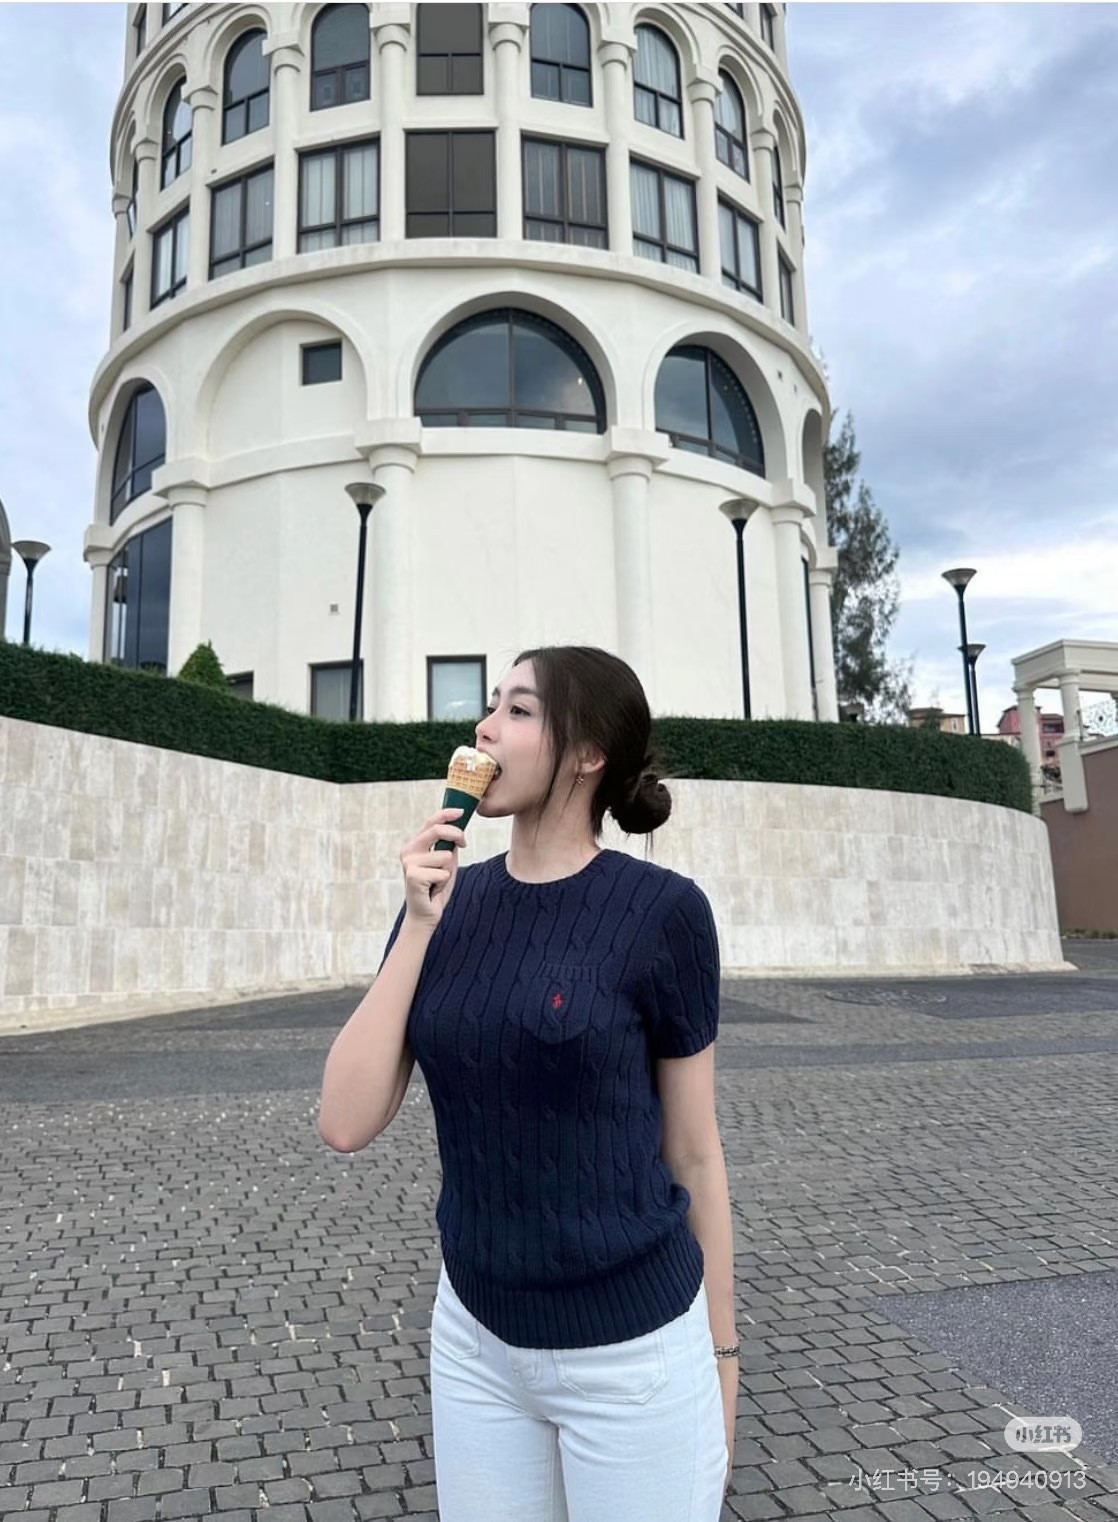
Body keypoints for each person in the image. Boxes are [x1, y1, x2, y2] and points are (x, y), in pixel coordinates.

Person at [318, 645, 737, 1522]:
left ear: (587, 754)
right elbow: (345, 1121)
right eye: (490, 705)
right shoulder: (445, 904)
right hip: (475, 1340)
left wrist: (723, 1355)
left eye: (518, 710)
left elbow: (695, 1153)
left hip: (632, 1354)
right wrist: (419, 926)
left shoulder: (664, 913)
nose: (484, 727)